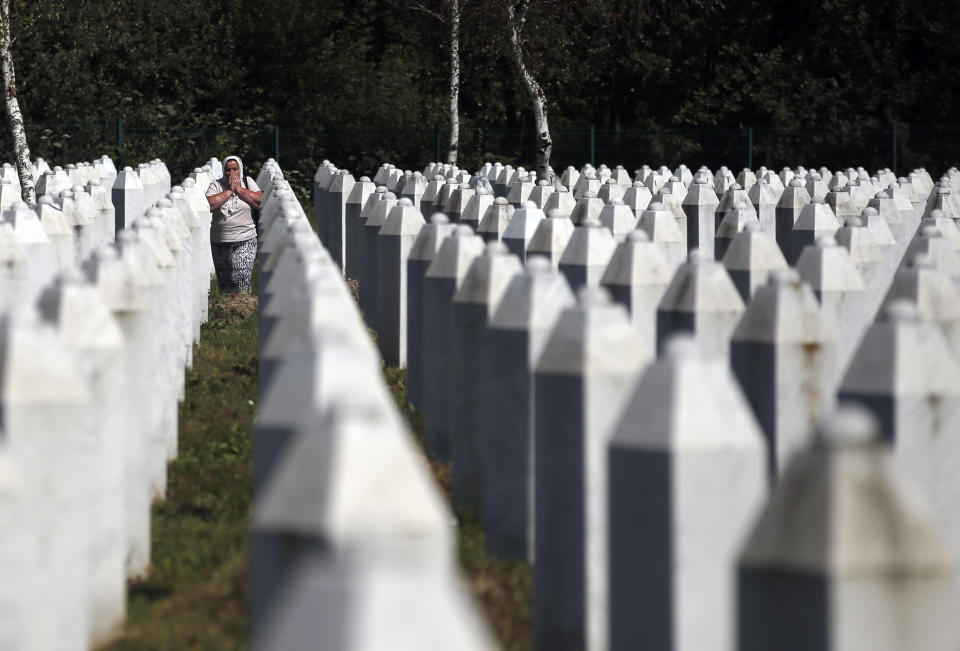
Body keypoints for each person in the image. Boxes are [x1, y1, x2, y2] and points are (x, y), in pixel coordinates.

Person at [205, 155, 262, 293]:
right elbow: (210, 205)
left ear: (240, 170)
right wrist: (229, 191)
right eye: (228, 170)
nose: (232, 173)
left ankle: (243, 307)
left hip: (245, 239)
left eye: (235, 169)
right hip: (220, 241)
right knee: (225, 283)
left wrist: (239, 190)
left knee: (241, 277)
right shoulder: (216, 185)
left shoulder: (248, 182)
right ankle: (226, 311)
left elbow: (260, 201)